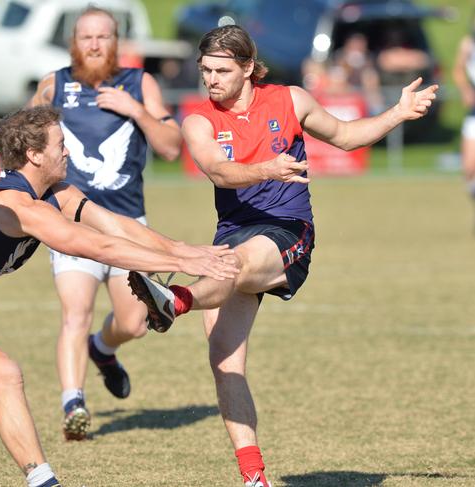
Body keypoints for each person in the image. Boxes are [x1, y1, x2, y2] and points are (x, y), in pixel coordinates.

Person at [0, 105, 238, 487]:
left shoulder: (55, 192)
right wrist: (181, 260)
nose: (68, 150)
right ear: (35, 155)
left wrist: (184, 250)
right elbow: (96, 247)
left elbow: (116, 226)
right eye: (60, 144)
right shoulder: (12, 204)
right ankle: (43, 480)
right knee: (4, 376)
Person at [127, 24, 438, 487]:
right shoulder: (198, 119)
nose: (210, 79)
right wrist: (266, 168)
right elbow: (218, 170)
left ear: (248, 68)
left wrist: (397, 112)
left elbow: (347, 136)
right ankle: (254, 477)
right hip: (233, 232)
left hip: (288, 232)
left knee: (237, 264)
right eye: (205, 69)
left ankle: (174, 302)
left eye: (221, 70)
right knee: (224, 360)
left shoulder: (290, 100)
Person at [27, 6, 182, 440]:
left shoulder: (139, 83)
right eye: (86, 37)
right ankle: (72, 404)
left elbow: (171, 147)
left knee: (135, 322)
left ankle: (103, 348)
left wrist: (136, 110)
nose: (94, 44)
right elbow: (21, 142)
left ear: (117, 42)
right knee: (75, 312)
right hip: (71, 225)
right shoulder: (53, 85)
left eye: (103, 36)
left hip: (127, 223)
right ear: (73, 42)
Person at [452, 16, 475, 227]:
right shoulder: (468, 43)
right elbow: (458, 70)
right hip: (474, 113)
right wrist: (466, 90)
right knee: (468, 168)